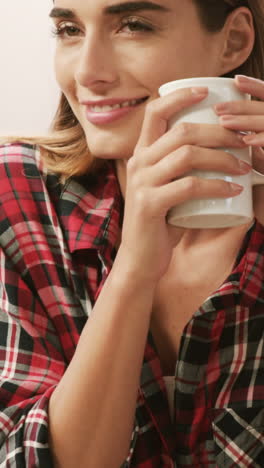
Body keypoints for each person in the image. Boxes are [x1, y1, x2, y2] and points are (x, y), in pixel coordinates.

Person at [0, 0, 264, 466]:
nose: (88, 72)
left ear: (235, 40)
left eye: (133, 25)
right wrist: (133, 270)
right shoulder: (17, 198)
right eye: (68, 30)